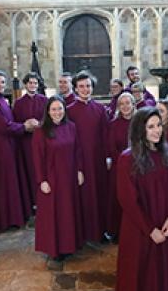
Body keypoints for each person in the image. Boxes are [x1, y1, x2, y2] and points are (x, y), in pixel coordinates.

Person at [114, 107, 168, 291]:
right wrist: (150, 230)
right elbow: (127, 200)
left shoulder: (166, 154)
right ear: (140, 129)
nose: (157, 130)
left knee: (157, 277)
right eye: (151, 126)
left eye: (159, 125)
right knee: (137, 278)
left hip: (163, 225)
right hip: (138, 229)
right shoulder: (127, 158)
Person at [32, 96, 85, 263]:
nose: (57, 112)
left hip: (69, 176)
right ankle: (55, 248)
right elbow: (37, 158)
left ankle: (69, 245)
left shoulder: (71, 127)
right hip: (52, 179)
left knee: (68, 212)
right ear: (48, 111)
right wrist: (42, 181)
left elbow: (78, 150)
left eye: (60, 109)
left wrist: (79, 170)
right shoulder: (41, 131)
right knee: (54, 214)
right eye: (54, 109)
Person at [0, 71, 38, 231]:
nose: (0, 85)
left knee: (13, 181)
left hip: (11, 145)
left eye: (2, 82)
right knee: (5, 183)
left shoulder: (3, 100)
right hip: (1, 148)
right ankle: (6, 219)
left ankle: (16, 216)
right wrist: (24, 126)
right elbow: (2, 126)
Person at [67, 71, 110, 242]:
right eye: (81, 86)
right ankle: (82, 233)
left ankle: (99, 231)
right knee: (82, 197)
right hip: (79, 161)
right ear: (76, 89)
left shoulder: (99, 109)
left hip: (98, 160)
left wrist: (107, 156)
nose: (85, 89)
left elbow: (106, 134)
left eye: (88, 86)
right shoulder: (69, 110)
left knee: (99, 195)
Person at [13, 72, 48, 211]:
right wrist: (26, 125)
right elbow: (15, 121)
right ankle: (33, 202)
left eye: (35, 83)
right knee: (30, 170)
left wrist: (39, 124)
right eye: (30, 83)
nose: (32, 85)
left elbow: (49, 118)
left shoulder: (45, 100)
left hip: (42, 140)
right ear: (25, 84)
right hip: (26, 141)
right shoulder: (19, 103)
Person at [106, 92, 135, 240]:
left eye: (127, 103)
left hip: (138, 168)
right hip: (119, 167)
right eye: (121, 104)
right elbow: (111, 147)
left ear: (133, 104)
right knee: (119, 199)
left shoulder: (139, 122)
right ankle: (117, 232)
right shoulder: (113, 124)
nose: (125, 106)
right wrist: (124, 163)